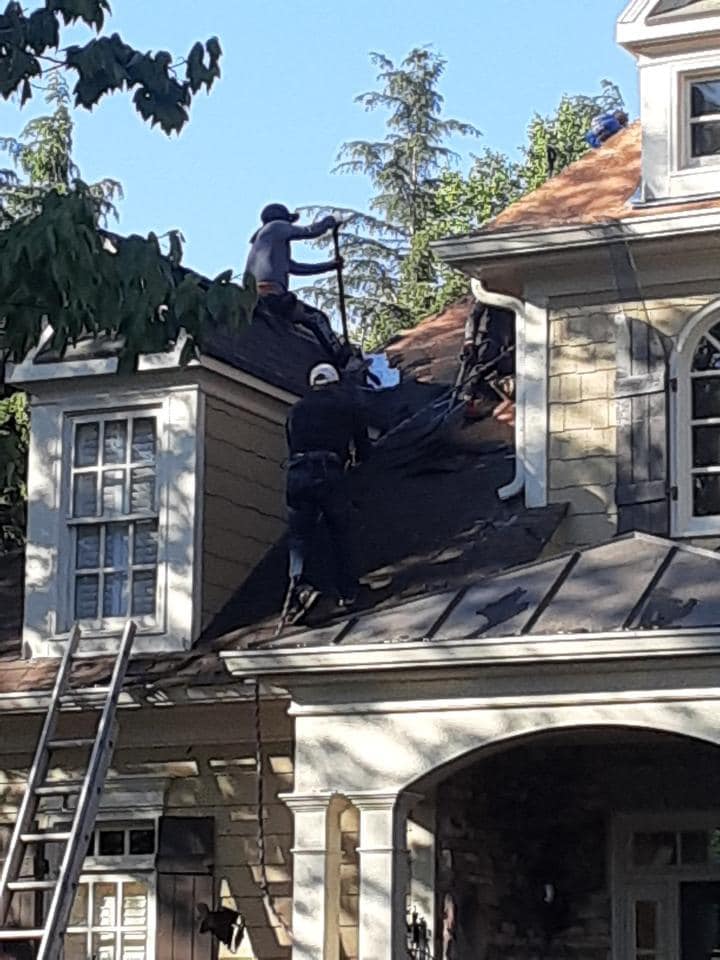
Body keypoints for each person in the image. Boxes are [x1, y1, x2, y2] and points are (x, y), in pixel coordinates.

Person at [284, 362, 371, 618]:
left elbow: (292, 444)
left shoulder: (296, 410)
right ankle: (349, 592)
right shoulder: (347, 405)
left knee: (299, 538)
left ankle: (301, 591)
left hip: (297, 474)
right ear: (335, 383)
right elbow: (364, 450)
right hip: (328, 471)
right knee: (340, 531)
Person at [246, 203, 352, 366]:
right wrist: (331, 221)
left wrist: (329, 266)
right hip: (271, 295)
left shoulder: (266, 244)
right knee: (317, 318)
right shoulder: (275, 227)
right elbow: (309, 232)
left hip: (258, 296)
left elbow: (295, 267)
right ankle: (344, 361)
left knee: (302, 322)